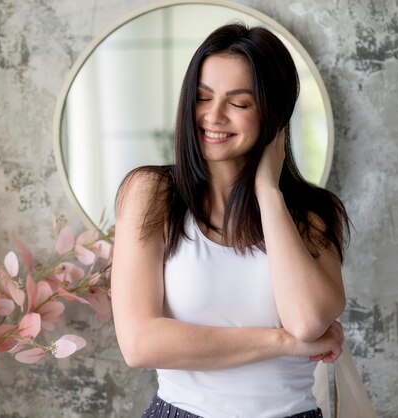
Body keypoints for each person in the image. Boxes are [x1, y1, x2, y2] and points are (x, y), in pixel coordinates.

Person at [111, 23, 350, 418]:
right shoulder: (151, 193)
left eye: (238, 104)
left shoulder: (313, 212)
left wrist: (269, 193)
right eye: (202, 98)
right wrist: (282, 343)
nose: (213, 116)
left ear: (273, 114)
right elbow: (140, 343)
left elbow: (307, 322)